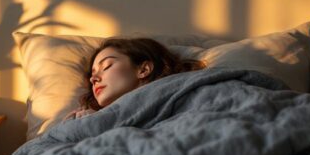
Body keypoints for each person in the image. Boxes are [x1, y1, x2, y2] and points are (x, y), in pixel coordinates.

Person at [64, 38, 205, 120]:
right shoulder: (87, 117)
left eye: (106, 66)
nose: (93, 79)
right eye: (92, 74)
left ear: (143, 70)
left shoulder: (191, 92)